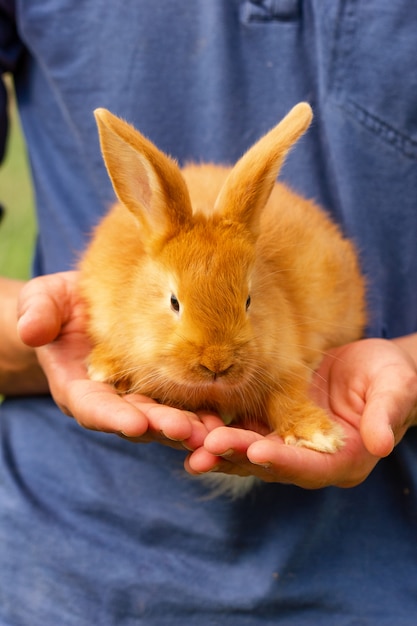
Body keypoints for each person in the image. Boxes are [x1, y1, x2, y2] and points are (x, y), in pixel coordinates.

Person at [1, 1, 417, 623]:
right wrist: (46, 341)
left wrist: (407, 365)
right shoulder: (121, 274)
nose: (217, 358)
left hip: (379, 574)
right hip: (70, 569)